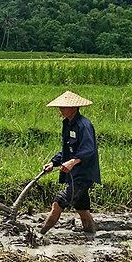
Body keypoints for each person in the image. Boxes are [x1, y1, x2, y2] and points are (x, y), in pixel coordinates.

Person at [40, 91, 101, 234]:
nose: (61, 110)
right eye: (60, 107)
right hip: (74, 174)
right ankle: (91, 237)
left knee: (58, 203)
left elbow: (88, 149)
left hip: (83, 175)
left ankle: (39, 235)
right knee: (82, 209)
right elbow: (67, 150)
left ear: (74, 108)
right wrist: (53, 163)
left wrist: (72, 162)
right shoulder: (68, 124)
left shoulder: (83, 125)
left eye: (64, 107)